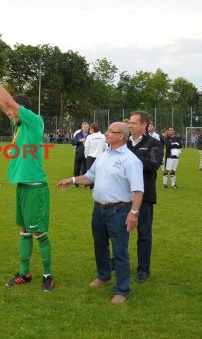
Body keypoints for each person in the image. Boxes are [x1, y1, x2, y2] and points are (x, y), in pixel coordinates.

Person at [0, 67, 54, 291]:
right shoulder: (19, 125)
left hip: (36, 187)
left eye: (13, 112)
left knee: (39, 232)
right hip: (22, 186)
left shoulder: (34, 120)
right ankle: (24, 273)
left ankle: (48, 275)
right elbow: (3, 105)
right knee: (23, 231)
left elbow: (9, 102)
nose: (9, 115)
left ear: (22, 110)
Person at [57, 122, 143, 305]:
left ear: (121, 136)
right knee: (99, 245)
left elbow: (138, 190)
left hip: (119, 210)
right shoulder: (104, 155)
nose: (107, 133)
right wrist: (72, 180)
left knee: (119, 250)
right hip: (99, 209)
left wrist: (133, 213)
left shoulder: (131, 160)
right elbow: (90, 177)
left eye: (111, 131)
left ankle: (122, 289)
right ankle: (104, 276)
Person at [128, 111, 164, 283]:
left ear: (144, 125)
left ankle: (143, 269)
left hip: (145, 196)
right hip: (123, 195)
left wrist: (126, 160)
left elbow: (151, 165)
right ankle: (120, 263)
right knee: (120, 233)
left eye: (134, 123)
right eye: (130, 123)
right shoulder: (124, 143)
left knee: (144, 234)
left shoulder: (155, 144)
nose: (131, 125)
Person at [84, 123, 107, 190]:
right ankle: (98, 186)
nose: (89, 130)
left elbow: (86, 147)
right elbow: (106, 147)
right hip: (100, 157)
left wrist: (86, 156)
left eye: (90, 128)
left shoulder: (89, 137)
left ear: (92, 129)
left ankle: (92, 186)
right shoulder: (103, 136)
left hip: (90, 157)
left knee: (90, 172)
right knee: (99, 172)